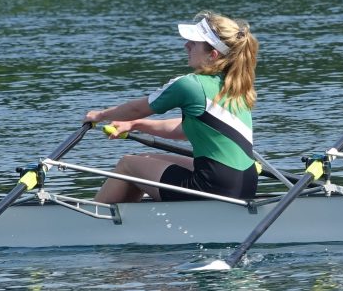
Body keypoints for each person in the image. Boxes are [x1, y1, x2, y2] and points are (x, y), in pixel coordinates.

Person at [84, 11, 259, 203]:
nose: (186, 46)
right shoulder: (236, 87)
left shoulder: (190, 85)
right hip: (246, 183)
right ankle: (130, 222)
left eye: (194, 43)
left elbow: (136, 108)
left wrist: (99, 115)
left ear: (213, 55)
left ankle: (91, 223)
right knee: (145, 159)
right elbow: (186, 129)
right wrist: (136, 124)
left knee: (128, 165)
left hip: (213, 186)